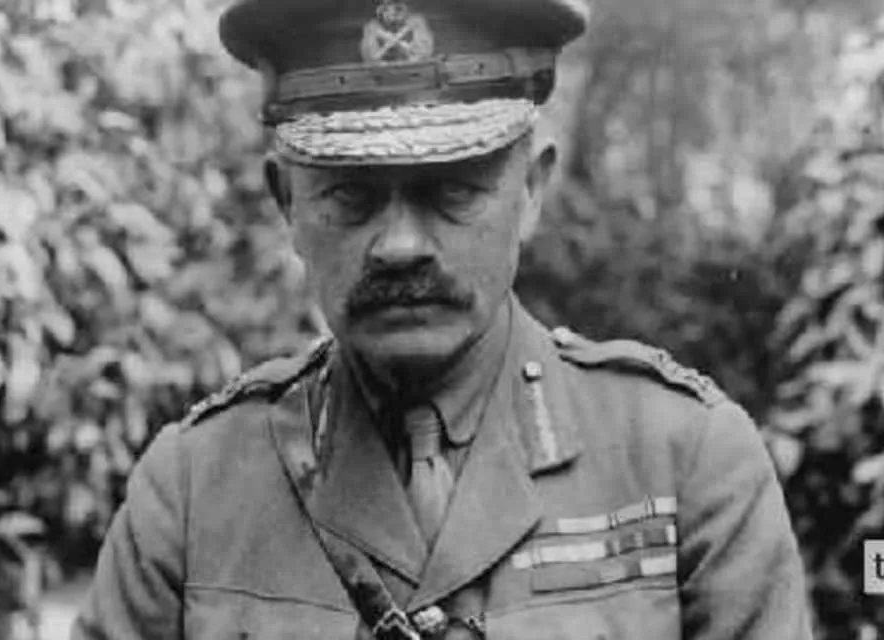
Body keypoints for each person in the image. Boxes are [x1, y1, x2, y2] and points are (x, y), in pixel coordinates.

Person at [72, 0, 814, 638]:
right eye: (352, 196)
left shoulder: (686, 463)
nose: (400, 246)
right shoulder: (193, 490)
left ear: (532, 190)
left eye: (453, 191)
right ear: (287, 204)